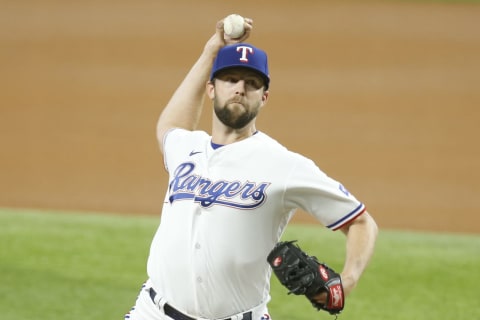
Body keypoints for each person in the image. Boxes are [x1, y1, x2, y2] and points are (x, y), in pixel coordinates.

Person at [125, 15, 378, 320]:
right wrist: (210, 52)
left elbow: (361, 222)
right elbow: (171, 124)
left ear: (264, 97)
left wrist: (346, 284)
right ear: (211, 89)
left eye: (252, 83)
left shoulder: (283, 164)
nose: (240, 88)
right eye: (230, 79)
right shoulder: (186, 148)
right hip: (153, 312)